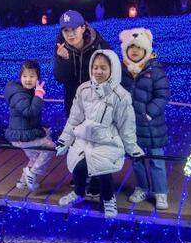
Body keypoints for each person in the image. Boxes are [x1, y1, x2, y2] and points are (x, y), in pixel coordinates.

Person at [55, 50, 143, 218]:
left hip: (107, 139)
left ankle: (109, 199)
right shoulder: (84, 90)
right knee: (78, 167)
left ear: (113, 69)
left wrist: (132, 148)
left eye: (103, 68)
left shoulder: (121, 96)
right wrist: (64, 140)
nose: (98, 72)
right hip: (85, 137)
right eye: (95, 67)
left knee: (103, 170)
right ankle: (79, 192)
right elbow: (74, 118)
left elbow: (126, 125)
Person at [119, 28, 171, 210]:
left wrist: (149, 113)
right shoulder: (122, 70)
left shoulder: (155, 70)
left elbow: (162, 95)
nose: (134, 51)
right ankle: (142, 187)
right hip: (131, 125)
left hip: (152, 124)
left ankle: (161, 192)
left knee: (157, 159)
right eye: (131, 47)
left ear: (146, 50)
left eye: (138, 47)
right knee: (137, 159)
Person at [4, 61, 55, 190]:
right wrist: (39, 95)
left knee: (36, 156)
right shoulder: (19, 95)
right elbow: (30, 112)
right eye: (25, 76)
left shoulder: (26, 91)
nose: (28, 80)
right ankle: (32, 173)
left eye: (32, 76)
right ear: (20, 77)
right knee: (50, 148)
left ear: (38, 78)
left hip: (23, 132)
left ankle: (22, 182)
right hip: (21, 135)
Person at [53, 10, 110, 119]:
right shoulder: (61, 47)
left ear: (83, 28)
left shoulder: (99, 45)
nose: (70, 34)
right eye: (66, 30)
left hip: (96, 100)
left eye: (74, 29)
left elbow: (112, 73)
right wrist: (64, 59)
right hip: (73, 102)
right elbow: (60, 78)